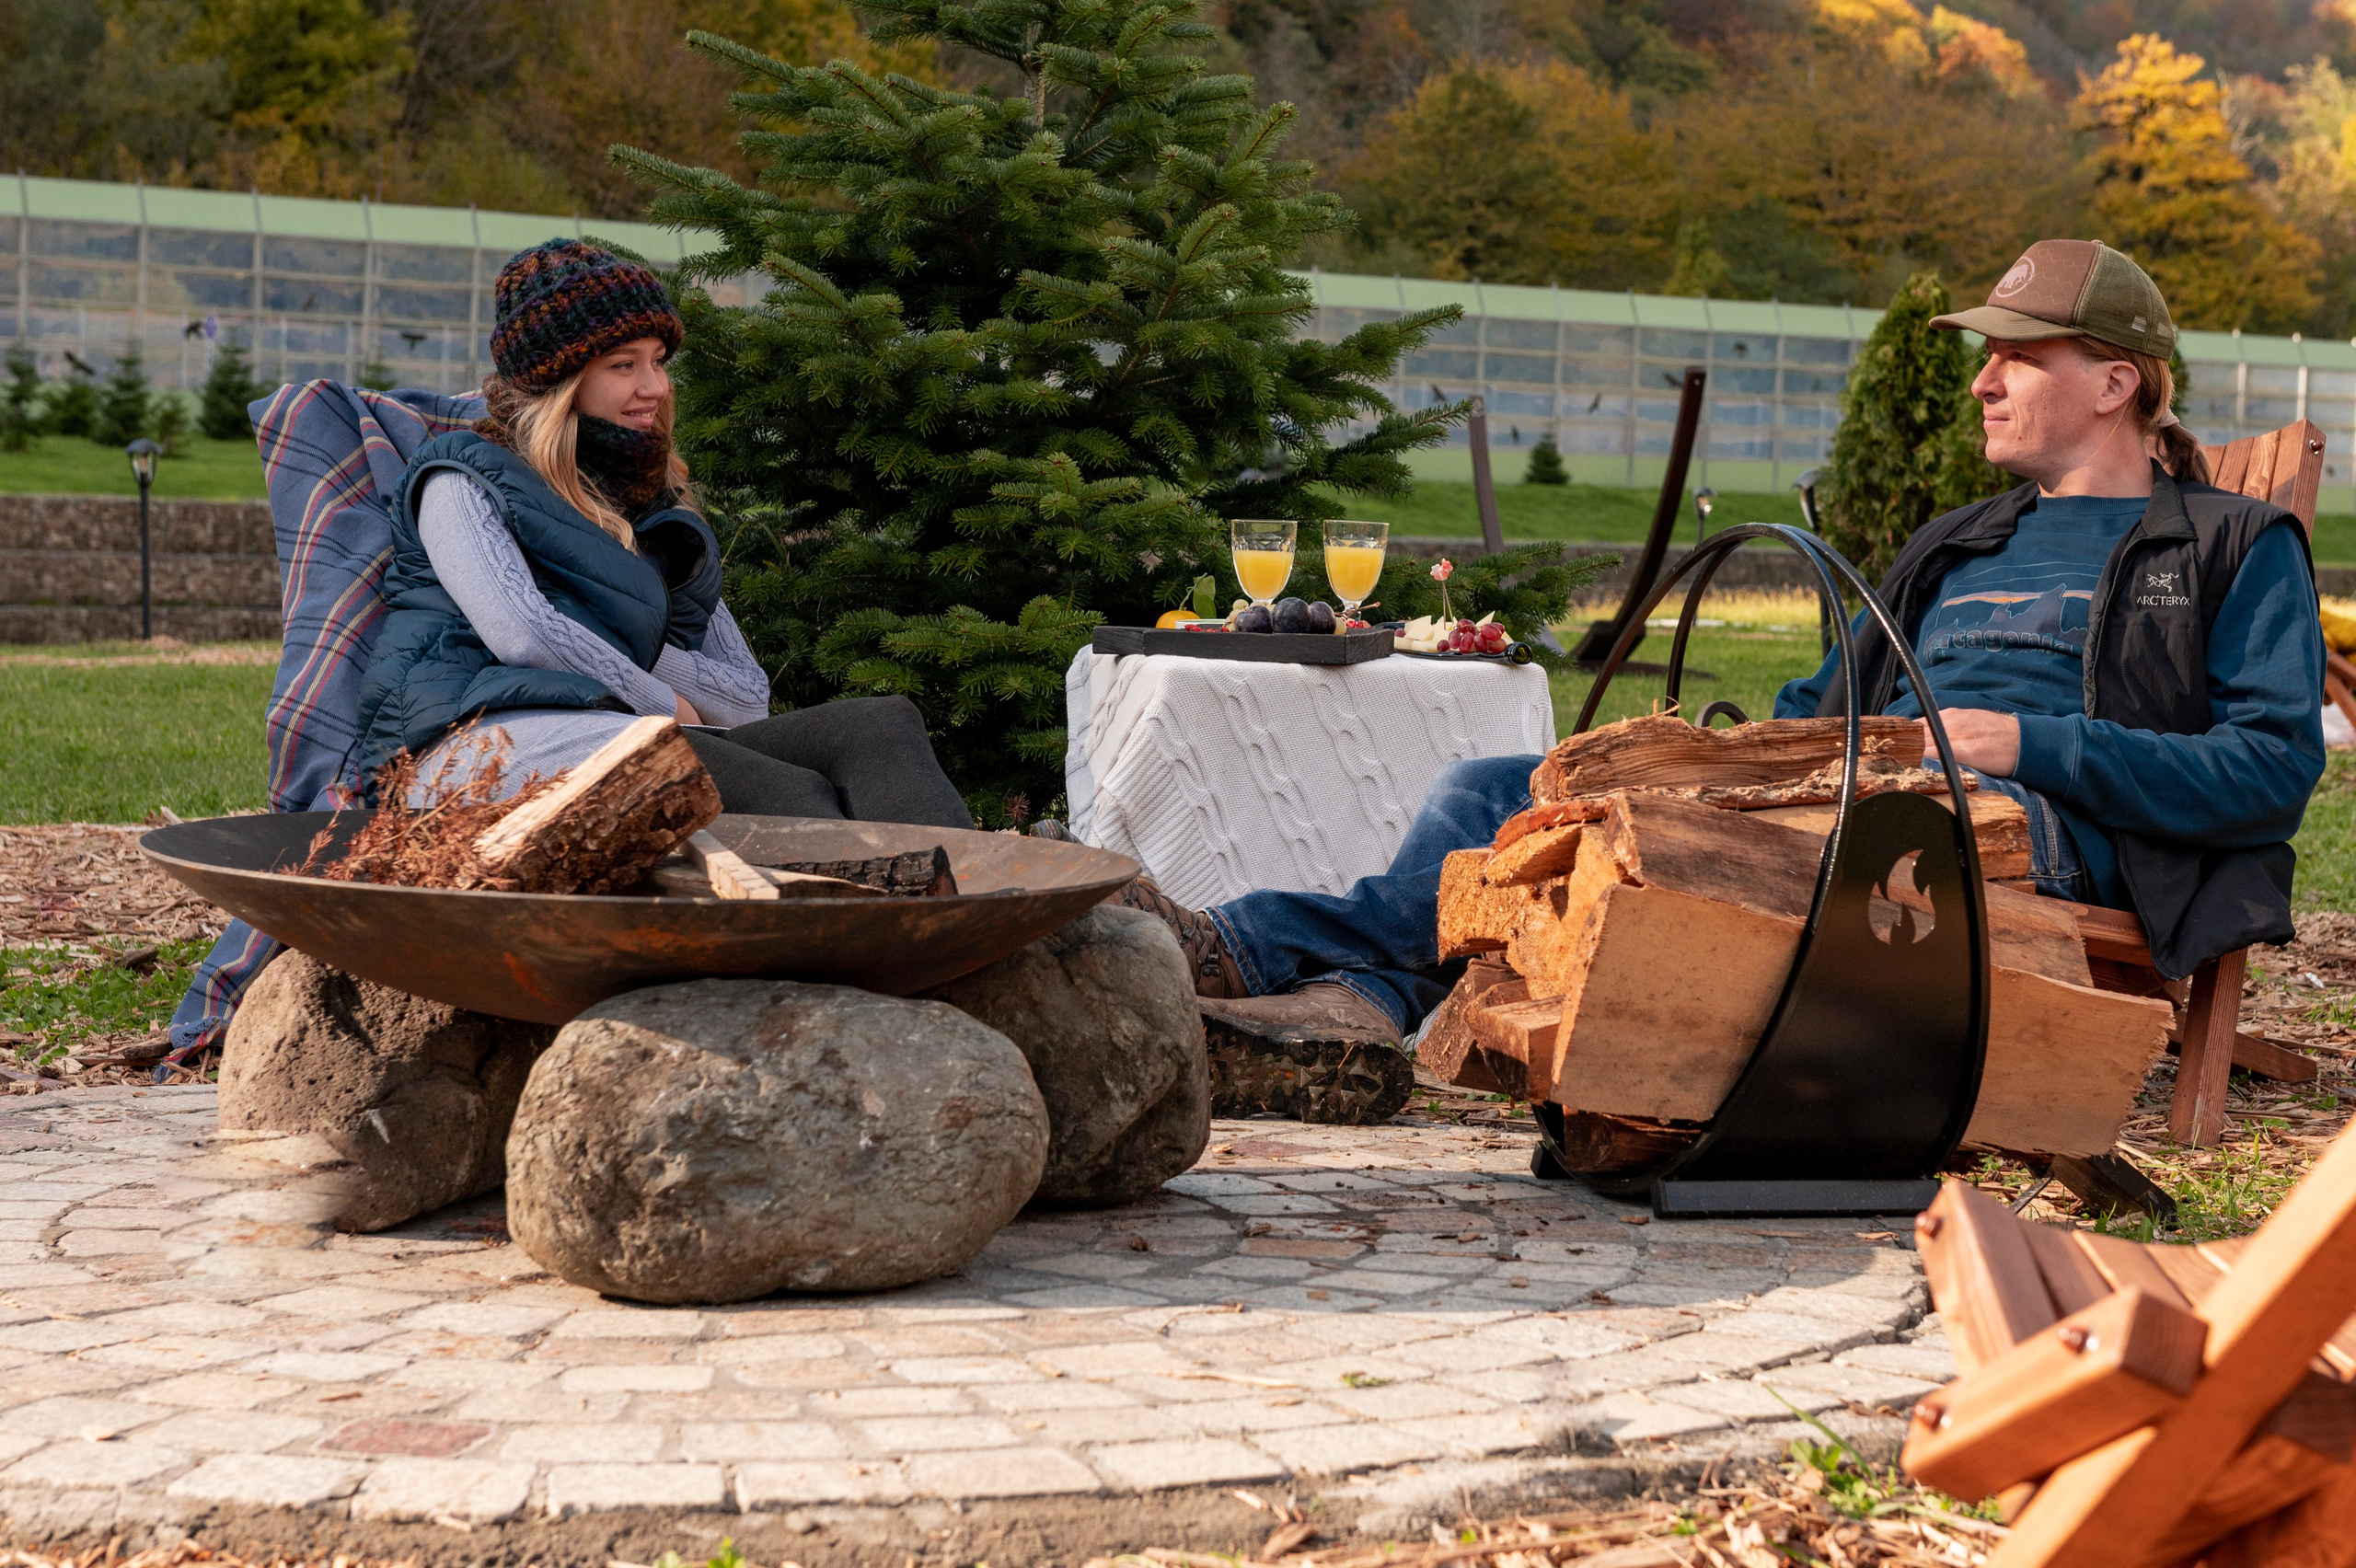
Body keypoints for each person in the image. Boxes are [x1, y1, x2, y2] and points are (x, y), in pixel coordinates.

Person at [1122, 238, 2325, 1092]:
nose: (1981, 380)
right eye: (1985, 355)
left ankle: (1255, 957)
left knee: (1677, 841)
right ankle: (1358, 1004)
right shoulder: (1962, 540)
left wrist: (2032, 744)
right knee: (1496, 793)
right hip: (1853, 786)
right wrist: (1717, 755)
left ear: (2116, 381)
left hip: (2019, 831)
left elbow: (2271, 769)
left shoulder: (2230, 545)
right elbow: (1821, 708)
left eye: (2017, 355)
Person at [357, 237, 971, 828]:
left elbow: (745, 696)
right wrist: (662, 700)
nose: (654, 387)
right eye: (624, 366)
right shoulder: (458, 478)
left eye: (657, 361)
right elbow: (524, 635)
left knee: (879, 726)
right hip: (470, 745)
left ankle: (983, 906)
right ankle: (874, 919)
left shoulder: (651, 506)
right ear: (559, 381)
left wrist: (644, 672)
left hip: (618, 729)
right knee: (771, 784)